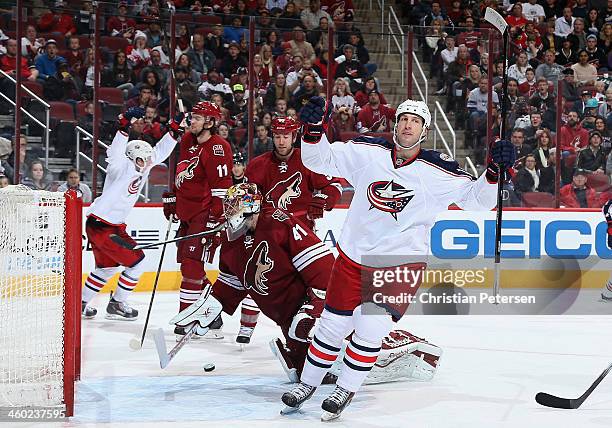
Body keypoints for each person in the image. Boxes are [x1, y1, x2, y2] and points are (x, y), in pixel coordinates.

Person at [281, 96, 513, 420]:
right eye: (404, 119)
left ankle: (345, 388)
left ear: (425, 130)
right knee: (331, 327)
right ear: (395, 124)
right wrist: (313, 130)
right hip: (352, 257)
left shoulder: (438, 171)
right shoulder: (367, 152)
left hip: (399, 264)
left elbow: (478, 201)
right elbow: (321, 161)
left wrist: (493, 172)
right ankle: (307, 384)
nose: (408, 125)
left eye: (415, 121)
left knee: (370, 326)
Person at [169, 183, 442, 386]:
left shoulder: (279, 224)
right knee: (307, 372)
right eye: (228, 209)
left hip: (310, 305)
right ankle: (335, 353)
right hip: (287, 318)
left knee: (318, 334)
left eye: (235, 209)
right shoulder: (230, 243)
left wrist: (319, 308)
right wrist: (210, 306)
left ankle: (400, 345)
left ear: (252, 208)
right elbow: (231, 284)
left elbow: (322, 264)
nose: (229, 215)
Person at [235, 116, 342, 344]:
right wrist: (244, 222)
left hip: (302, 237)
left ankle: (306, 341)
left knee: (308, 291)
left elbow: (334, 186)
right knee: (266, 279)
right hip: (269, 236)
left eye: (286, 136)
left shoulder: (308, 160)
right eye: (277, 136)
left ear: (294, 137)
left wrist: (323, 198)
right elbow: (247, 200)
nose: (281, 141)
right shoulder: (258, 165)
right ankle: (248, 326)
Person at [81, 107, 183, 320]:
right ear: (131, 158)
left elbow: (160, 152)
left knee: (106, 268)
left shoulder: (143, 164)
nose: (146, 164)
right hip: (102, 224)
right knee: (138, 263)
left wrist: (173, 130)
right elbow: (115, 151)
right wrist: (124, 124)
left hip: (111, 225)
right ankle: (117, 303)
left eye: (147, 160)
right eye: (141, 160)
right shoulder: (120, 166)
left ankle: (80, 303)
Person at [162, 101, 233, 338]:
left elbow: (222, 189)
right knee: (187, 264)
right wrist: (172, 197)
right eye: (192, 116)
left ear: (210, 123)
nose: (191, 121)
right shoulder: (187, 141)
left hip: (205, 215)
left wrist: (215, 221)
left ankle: (187, 318)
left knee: (192, 267)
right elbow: (180, 170)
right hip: (186, 214)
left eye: (197, 117)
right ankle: (212, 309)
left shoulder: (218, 148)